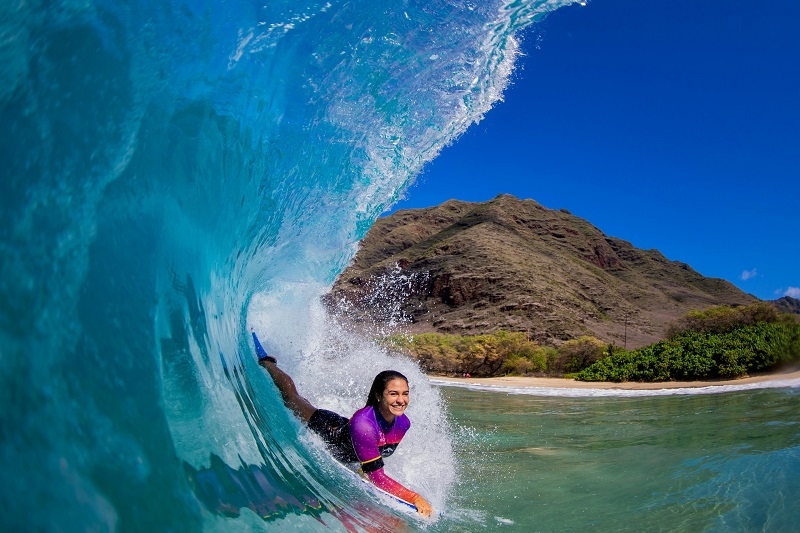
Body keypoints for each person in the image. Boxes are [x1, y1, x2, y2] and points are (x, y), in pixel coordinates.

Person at [252, 331, 434, 517]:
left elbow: (378, 452)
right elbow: (376, 476)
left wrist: (367, 468)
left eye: (405, 393)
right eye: (393, 394)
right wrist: (414, 497)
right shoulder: (364, 425)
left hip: (346, 428)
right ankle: (268, 363)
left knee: (301, 400)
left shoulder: (403, 423)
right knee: (292, 398)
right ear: (379, 395)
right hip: (326, 428)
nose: (401, 400)